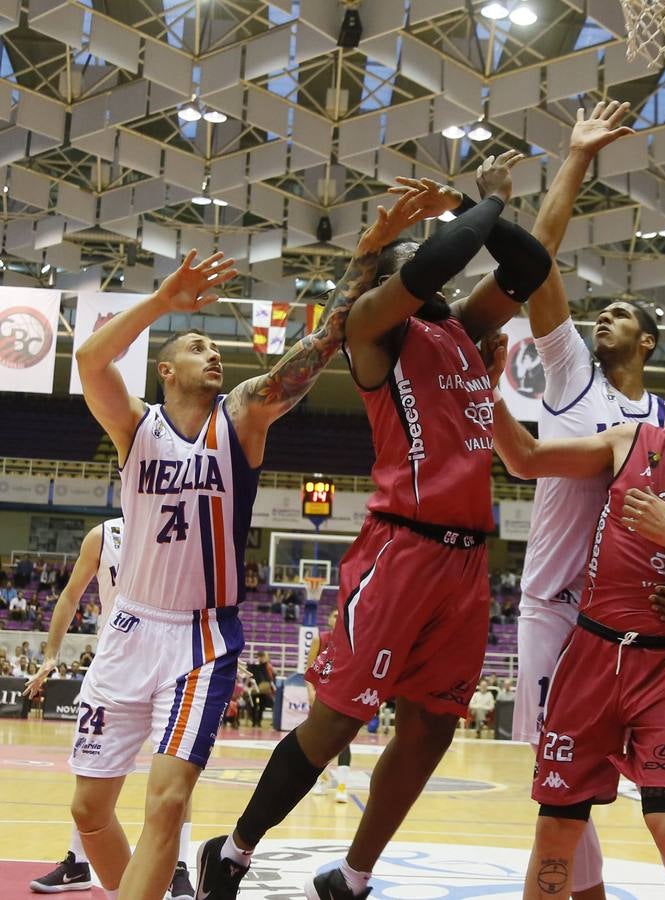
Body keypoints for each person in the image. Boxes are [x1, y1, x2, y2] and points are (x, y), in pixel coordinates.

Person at [197, 149, 553, 900]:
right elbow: (437, 262)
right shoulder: (372, 329)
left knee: (433, 727)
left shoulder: (461, 327)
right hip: (402, 549)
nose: (438, 277)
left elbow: (528, 266)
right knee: (335, 723)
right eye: (412, 269)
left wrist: (479, 203)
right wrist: (480, 201)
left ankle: (353, 877)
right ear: (392, 279)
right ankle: (230, 853)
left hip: (467, 562)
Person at [64, 190, 425, 900]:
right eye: (197, 346)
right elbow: (89, 359)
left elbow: (320, 347)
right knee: (88, 812)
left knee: (166, 803)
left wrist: (364, 258)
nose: (213, 354)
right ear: (165, 369)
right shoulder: (135, 427)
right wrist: (164, 303)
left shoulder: (244, 418)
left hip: (201, 639)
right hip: (129, 628)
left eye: (215, 347)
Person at [508, 100, 665, 900]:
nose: (601, 316)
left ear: (647, 342)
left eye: (619, 313)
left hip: (637, 629)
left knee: (610, 799)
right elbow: (532, 263)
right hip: (558, 611)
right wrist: (578, 157)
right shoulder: (570, 377)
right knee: (567, 796)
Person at [487, 348, 665, 900]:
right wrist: (486, 388)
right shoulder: (629, 440)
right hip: (591, 656)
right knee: (555, 829)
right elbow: (524, 458)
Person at [23, 519, 195, 899]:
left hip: (177, 661)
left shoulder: (186, 523)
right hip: (115, 662)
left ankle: (178, 867)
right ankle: (79, 862)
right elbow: (69, 595)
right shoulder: (104, 536)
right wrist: (51, 656)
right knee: (90, 782)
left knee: (176, 773)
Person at [306, 609, 352, 802]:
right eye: (334, 615)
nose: (337, 617)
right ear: (329, 620)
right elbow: (309, 670)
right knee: (318, 743)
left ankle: (342, 786)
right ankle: (322, 780)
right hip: (321, 696)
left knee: (344, 742)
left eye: (339, 615)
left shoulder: (352, 640)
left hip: (342, 696)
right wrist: (310, 692)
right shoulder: (320, 639)